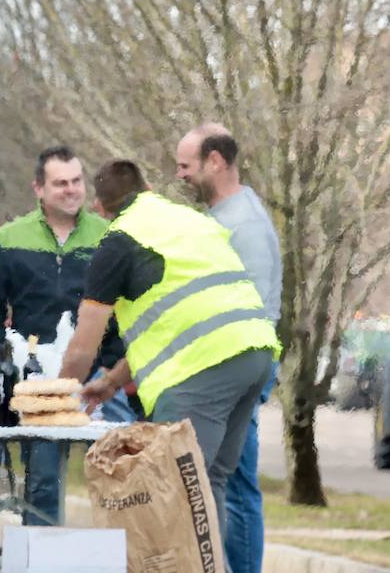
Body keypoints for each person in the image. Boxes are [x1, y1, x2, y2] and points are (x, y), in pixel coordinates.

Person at [60, 159, 280, 546]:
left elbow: (83, 345)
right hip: (255, 353)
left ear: (99, 208)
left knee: (175, 493)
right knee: (208, 485)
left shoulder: (119, 240)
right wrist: (112, 382)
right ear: (147, 188)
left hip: (201, 369)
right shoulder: (191, 220)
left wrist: (60, 396)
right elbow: (183, 318)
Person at [0, 146, 130, 526]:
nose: (71, 190)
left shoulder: (112, 236)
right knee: (43, 476)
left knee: (127, 473)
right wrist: (0, 366)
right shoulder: (9, 238)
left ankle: (123, 570)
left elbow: (131, 307)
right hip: (39, 376)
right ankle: (41, 569)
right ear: (38, 189)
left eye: (77, 181)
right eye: (60, 183)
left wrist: (121, 367)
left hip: (103, 374)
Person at [176, 124, 282, 573]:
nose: (180, 175)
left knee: (232, 482)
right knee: (227, 479)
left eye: (186, 165)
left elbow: (250, 314)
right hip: (228, 368)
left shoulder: (243, 225)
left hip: (238, 368)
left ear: (214, 161)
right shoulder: (226, 216)